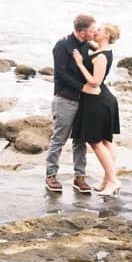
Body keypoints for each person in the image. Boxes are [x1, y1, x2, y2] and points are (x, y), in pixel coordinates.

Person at [45, 14, 96, 193]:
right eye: (92, 30)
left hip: (83, 101)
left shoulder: (86, 44)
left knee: (80, 140)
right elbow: (60, 74)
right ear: (82, 32)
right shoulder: (62, 45)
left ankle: (79, 177)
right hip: (65, 99)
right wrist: (83, 88)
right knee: (59, 138)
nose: (95, 32)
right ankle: (51, 175)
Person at [71, 24, 122, 197]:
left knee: (96, 142)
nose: (95, 31)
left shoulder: (101, 56)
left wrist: (80, 64)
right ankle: (108, 179)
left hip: (98, 100)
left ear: (106, 34)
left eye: (99, 30)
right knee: (107, 142)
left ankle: (113, 180)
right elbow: (88, 44)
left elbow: (95, 82)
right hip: (101, 99)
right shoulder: (99, 50)